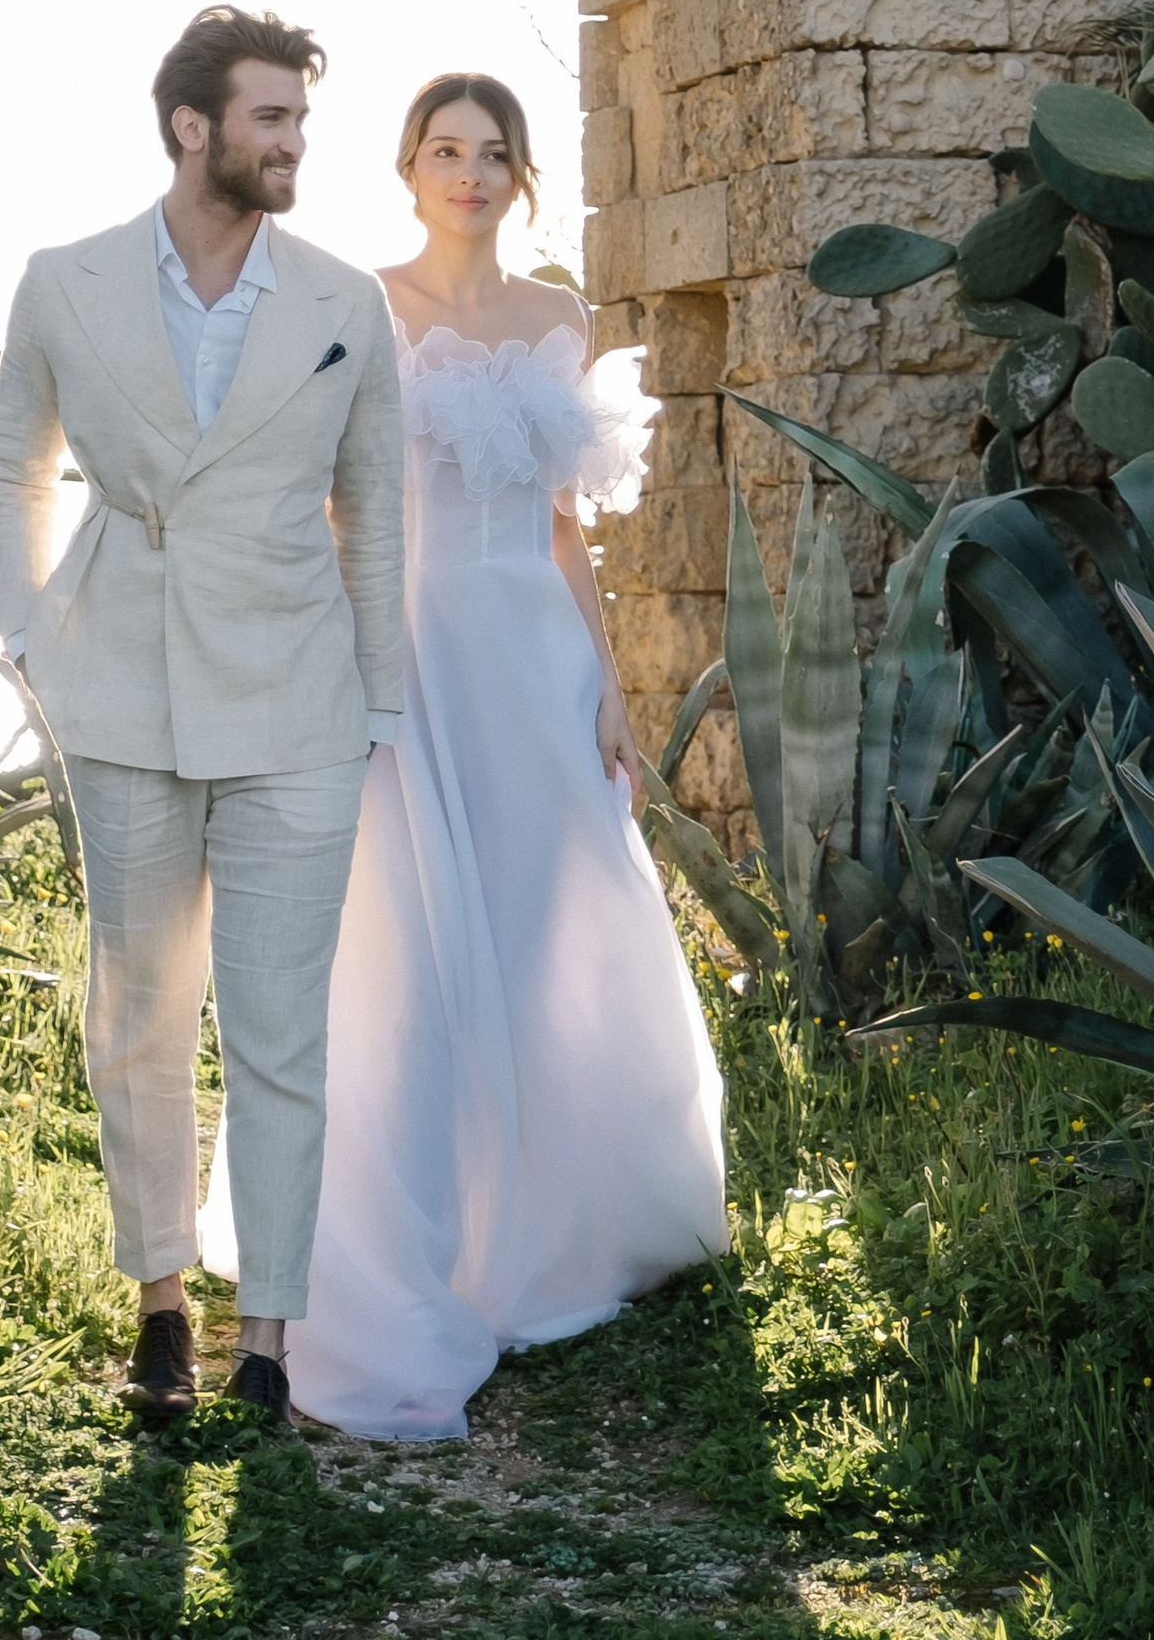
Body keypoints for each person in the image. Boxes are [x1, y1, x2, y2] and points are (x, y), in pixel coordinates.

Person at [202, 70, 726, 1438]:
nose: (471, 172)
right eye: (446, 148)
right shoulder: (359, 304)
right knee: (414, 960)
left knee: (551, 929)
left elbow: (566, 528)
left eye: (495, 152)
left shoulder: (557, 316)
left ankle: (561, 1229)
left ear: (521, 174)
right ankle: (410, 1254)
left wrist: (609, 683)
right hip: (411, 660)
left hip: (532, 660)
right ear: (409, 165)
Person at [0, 6, 403, 1429]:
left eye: (298, 119)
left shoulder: (347, 302)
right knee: (139, 1013)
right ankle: (162, 1306)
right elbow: (11, 476)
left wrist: (380, 704)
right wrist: (33, 634)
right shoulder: (64, 281)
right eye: (271, 118)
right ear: (191, 127)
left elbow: (380, 516)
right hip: (122, 693)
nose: (294, 143)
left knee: (283, 1030)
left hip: (296, 702)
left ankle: (269, 1332)